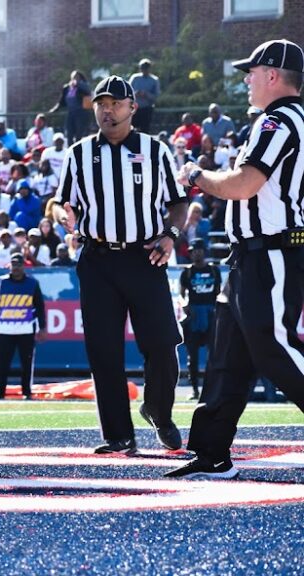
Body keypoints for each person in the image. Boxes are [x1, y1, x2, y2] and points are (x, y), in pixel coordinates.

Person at [170, 39, 304, 480]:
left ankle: (212, 452)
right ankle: (211, 453)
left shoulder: (278, 121)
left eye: (252, 72)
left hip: (272, 251)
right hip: (251, 255)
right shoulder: (281, 121)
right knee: (229, 357)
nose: (246, 79)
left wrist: (194, 175)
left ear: (272, 75)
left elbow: (245, 184)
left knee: (275, 347)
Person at [50, 75, 189, 455]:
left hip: (144, 256)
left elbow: (179, 203)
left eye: (115, 103)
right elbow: (63, 201)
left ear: (132, 108)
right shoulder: (79, 153)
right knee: (103, 349)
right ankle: (118, 435)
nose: (107, 110)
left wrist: (170, 235)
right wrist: (65, 215)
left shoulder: (155, 150)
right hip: (97, 259)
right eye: (100, 103)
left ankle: (159, 410)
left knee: (162, 344)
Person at [0, 253, 46, 399]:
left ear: (24, 266)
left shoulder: (32, 283)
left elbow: (40, 306)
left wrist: (42, 327)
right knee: (1, 364)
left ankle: (27, 393)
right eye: (14, 264)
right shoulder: (2, 282)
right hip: (4, 329)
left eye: (19, 264)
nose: (16, 267)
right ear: (10, 265)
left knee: (26, 364)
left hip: (26, 329)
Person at [179, 239, 221, 401]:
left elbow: (218, 292)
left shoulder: (213, 271)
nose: (196, 253)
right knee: (193, 356)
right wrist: (184, 305)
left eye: (198, 250)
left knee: (214, 355)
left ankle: (212, 388)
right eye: (193, 251)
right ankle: (195, 389)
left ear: (204, 252)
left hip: (210, 314)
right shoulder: (187, 272)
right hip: (194, 316)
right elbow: (181, 294)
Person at [49, 70, 92, 141]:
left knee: (79, 134)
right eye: (73, 77)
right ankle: (71, 149)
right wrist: (55, 109)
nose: (75, 78)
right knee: (69, 134)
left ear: (80, 78)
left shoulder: (83, 85)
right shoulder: (67, 88)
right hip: (71, 113)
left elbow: (88, 91)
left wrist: (78, 84)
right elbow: (62, 101)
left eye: (77, 77)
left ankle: (79, 150)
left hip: (81, 114)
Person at [129, 58, 160, 132]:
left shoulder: (154, 80)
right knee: (131, 130)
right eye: (143, 67)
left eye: (146, 67)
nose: (144, 69)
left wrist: (146, 95)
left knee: (145, 131)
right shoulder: (135, 78)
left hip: (146, 109)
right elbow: (128, 91)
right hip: (134, 109)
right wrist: (135, 94)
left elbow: (156, 96)